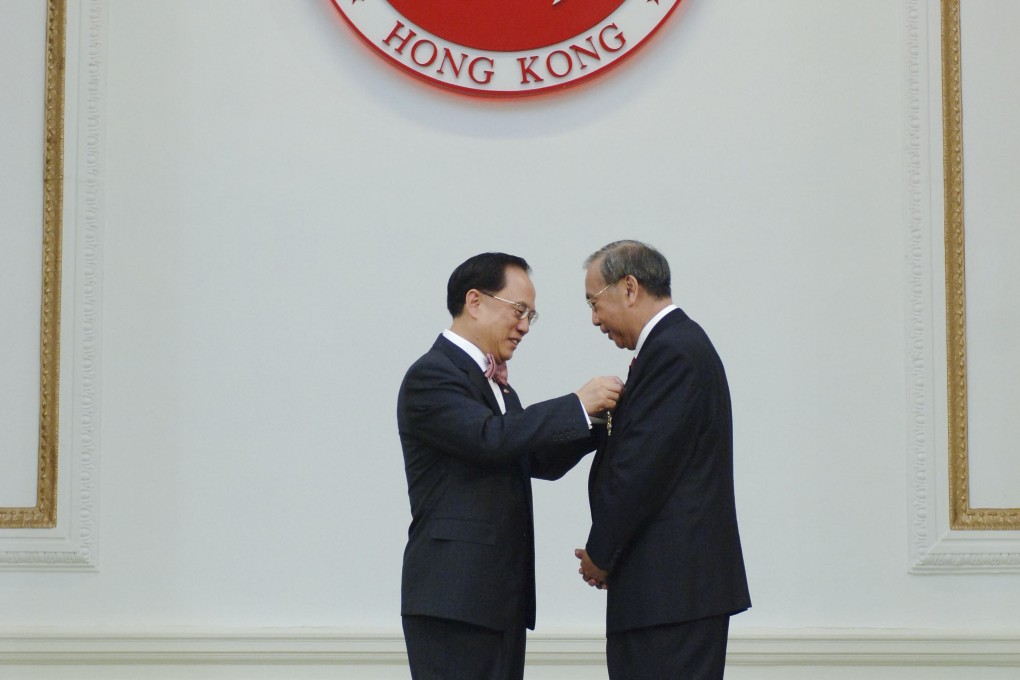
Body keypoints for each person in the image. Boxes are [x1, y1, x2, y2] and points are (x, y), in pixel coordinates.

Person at [397, 252, 624, 680]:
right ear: (475, 302)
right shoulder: (432, 375)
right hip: (453, 600)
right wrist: (576, 403)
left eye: (531, 317)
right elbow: (490, 439)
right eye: (520, 311)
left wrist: (602, 426)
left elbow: (533, 457)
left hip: (496, 600)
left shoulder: (493, 383)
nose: (524, 326)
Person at [574, 240, 750, 680]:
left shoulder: (672, 352)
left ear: (629, 287)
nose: (595, 319)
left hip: (671, 596)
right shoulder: (675, 346)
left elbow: (641, 470)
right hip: (670, 594)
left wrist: (601, 552)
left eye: (595, 303)